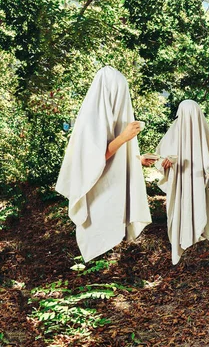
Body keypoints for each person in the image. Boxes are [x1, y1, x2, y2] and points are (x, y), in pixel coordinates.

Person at [56, 66, 151, 262]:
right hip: (95, 188)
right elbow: (93, 159)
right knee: (97, 232)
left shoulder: (106, 114)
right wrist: (124, 137)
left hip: (109, 185)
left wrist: (138, 159)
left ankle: (104, 265)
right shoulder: (91, 119)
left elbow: (112, 151)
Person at [151, 100, 209, 265]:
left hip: (197, 181)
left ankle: (194, 240)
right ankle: (179, 246)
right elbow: (158, 158)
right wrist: (164, 163)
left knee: (195, 206)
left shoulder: (202, 134)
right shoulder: (173, 132)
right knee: (178, 211)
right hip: (178, 182)